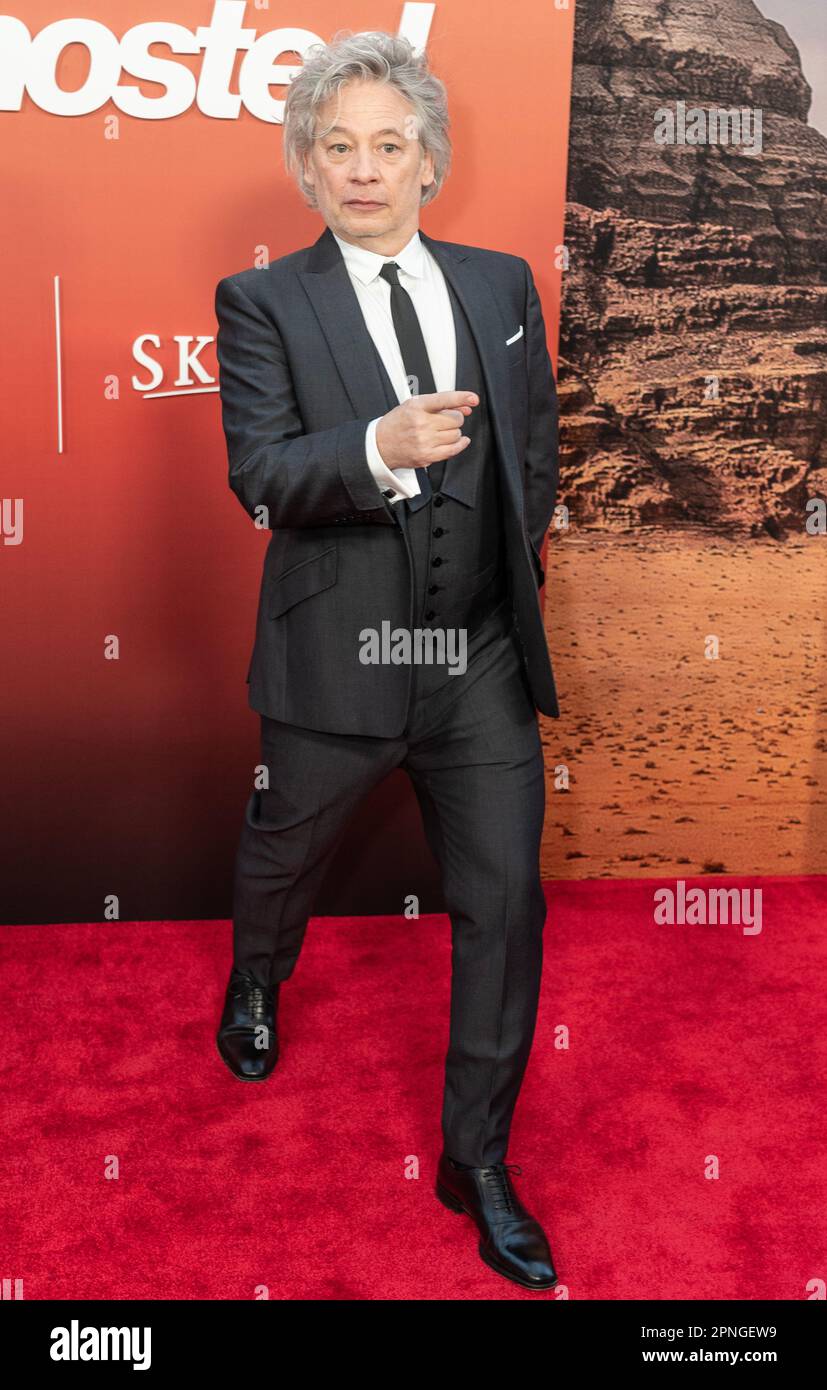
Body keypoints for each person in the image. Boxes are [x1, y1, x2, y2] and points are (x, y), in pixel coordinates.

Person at [214, 29, 561, 1292]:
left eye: (388, 144)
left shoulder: (501, 282)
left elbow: (533, 448)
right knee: (281, 854)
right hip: (335, 657)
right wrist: (376, 444)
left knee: (505, 908)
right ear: (308, 168)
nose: (363, 169)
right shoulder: (260, 302)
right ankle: (256, 976)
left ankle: (474, 1160)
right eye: (337, 147)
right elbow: (260, 472)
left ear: (430, 160)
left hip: (472, 657)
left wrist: (512, 583)